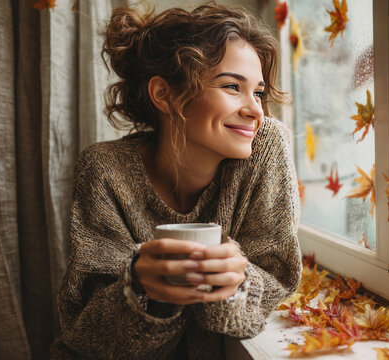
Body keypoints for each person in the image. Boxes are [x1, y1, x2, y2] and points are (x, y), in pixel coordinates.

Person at [50, 3, 302, 359]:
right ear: (164, 95)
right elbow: (83, 326)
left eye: (258, 92)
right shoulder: (104, 170)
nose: (256, 110)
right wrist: (140, 290)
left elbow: (277, 278)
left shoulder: (265, 146)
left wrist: (236, 285)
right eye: (233, 87)